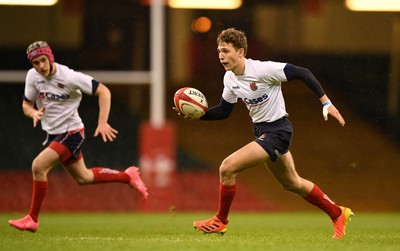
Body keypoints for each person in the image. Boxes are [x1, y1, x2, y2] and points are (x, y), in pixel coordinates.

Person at [176, 28, 353, 238]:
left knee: (227, 168)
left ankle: (220, 221)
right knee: (291, 182)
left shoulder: (262, 70)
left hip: (278, 131)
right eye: (218, 51)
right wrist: (199, 115)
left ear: (240, 52)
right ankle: (337, 213)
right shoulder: (229, 78)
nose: (221, 56)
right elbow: (224, 111)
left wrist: (326, 102)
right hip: (262, 131)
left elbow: (302, 72)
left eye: (225, 50)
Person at [8, 41, 148, 233]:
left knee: (38, 166)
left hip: (72, 133)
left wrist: (102, 122)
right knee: (84, 178)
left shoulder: (69, 76)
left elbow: (103, 91)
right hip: (54, 135)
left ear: (50, 57)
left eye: (43, 60)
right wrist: (32, 113)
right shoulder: (33, 77)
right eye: (36, 63)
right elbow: (26, 105)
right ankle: (128, 176)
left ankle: (32, 219)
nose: (41, 66)